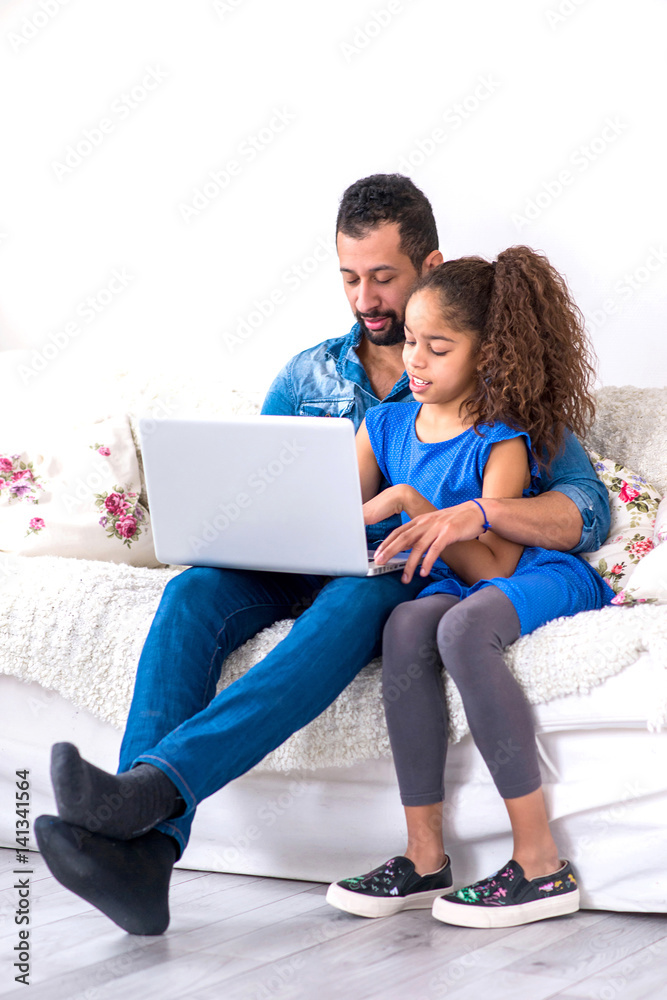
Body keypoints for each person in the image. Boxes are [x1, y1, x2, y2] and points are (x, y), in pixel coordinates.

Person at [34, 176, 609, 936]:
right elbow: (269, 488)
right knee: (192, 593)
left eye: (383, 279)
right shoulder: (310, 374)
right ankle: (142, 855)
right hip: (305, 554)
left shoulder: (495, 398)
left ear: (428, 270)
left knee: (354, 599)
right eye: (349, 279)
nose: (366, 300)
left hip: (391, 574)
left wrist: (459, 511)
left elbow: (585, 508)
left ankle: (148, 796)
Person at [325, 248, 615, 928]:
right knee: (403, 627)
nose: (415, 360)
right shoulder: (385, 424)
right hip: (458, 577)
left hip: (535, 573)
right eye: (409, 342)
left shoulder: (500, 438)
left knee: (460, 628)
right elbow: (335, 510)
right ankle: (424, 858)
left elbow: (495, 567)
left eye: (438, 347)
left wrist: (410, 502)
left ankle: (540, 863)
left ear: (484, 356)